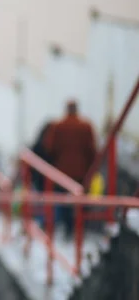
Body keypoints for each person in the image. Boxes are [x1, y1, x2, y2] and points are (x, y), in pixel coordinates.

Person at [43, 100, 97, 238]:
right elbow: (92, 150)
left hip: (62, 172)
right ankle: (79, 228)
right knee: (80, 201)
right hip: (81, 172)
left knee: (65, 202)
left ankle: (68, 229)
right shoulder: (86, 126)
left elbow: (50, 148)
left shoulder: (58, 126)